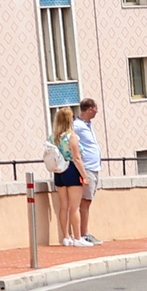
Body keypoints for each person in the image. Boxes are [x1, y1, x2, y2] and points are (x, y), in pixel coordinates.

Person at [47, 106, 85, 245]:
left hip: (59, 171)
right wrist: (84, 176)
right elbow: (77, 158)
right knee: (75, 207)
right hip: (71, 169)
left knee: (63, 206)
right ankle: (78, 238)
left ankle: (66, 237)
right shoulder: (71, 137)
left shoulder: (53, 137)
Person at [72, 98, 103, 245]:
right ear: (89, 109)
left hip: (94, 167)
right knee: (85, 201)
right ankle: (83, 233)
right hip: (87, 167)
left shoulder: (87, 125)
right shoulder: (77, 126)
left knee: (88, 201)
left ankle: (84, 233)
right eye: (95, 108)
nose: (97, 111)